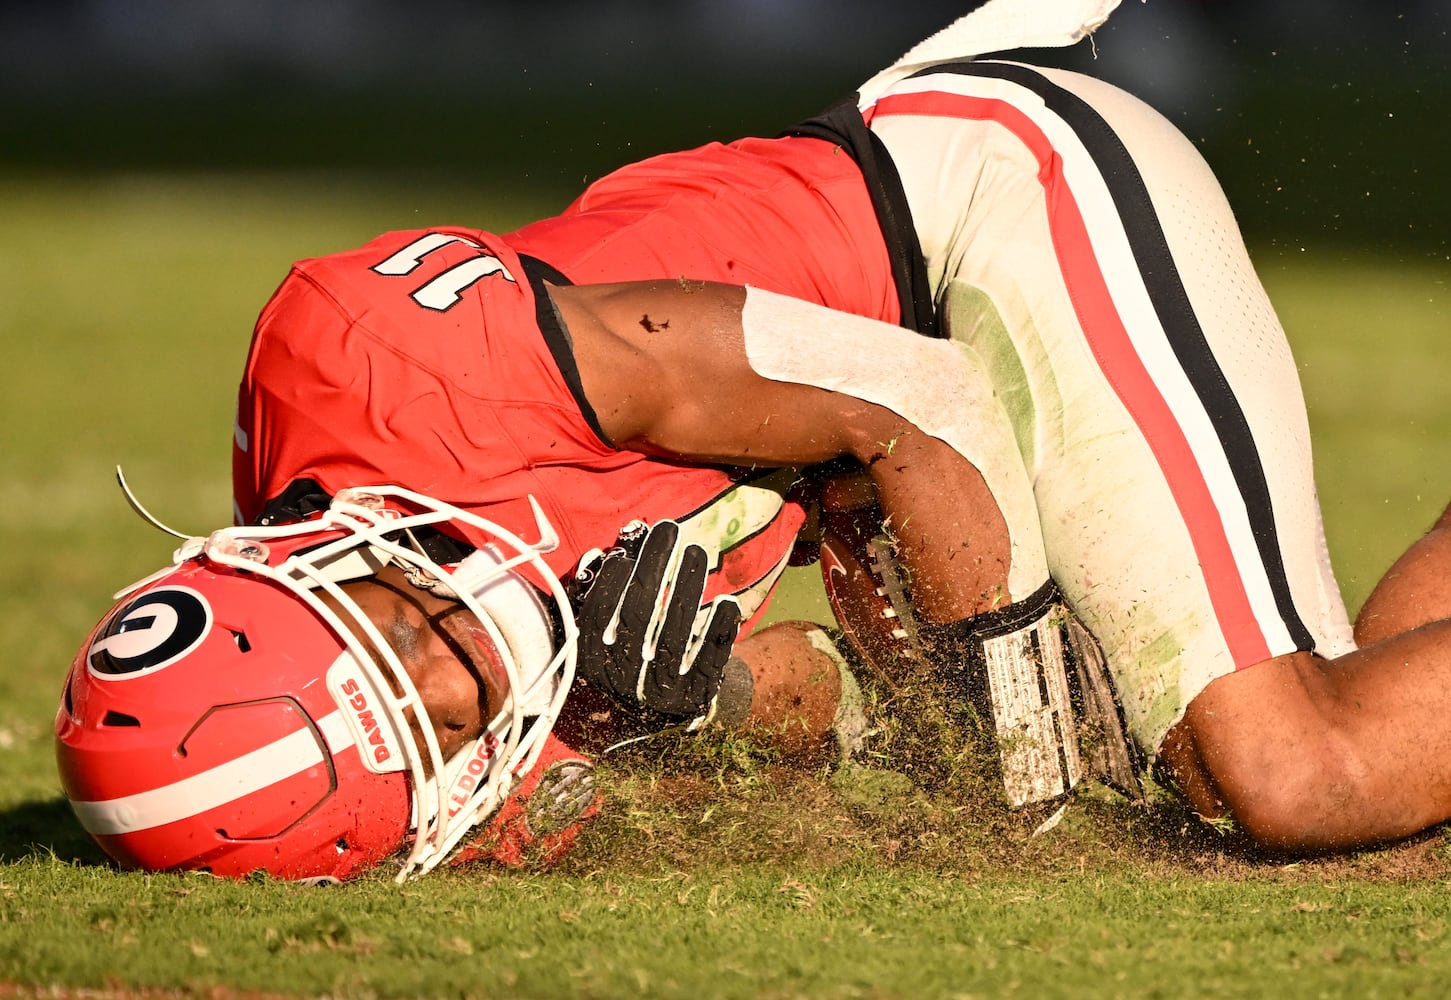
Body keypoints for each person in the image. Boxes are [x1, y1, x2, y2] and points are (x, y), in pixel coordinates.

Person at [54, 0, 1451, 883]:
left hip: (972, 206)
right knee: (1301, 740)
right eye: (442, 716)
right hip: (876, 460)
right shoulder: (475, 791)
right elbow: (814, 695)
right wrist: (699, 702)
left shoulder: (391, 365)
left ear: (293, 567)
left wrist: (1017, 759)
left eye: (398, 625)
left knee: (1286, 767)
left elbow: (907, 400)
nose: (464, 656)